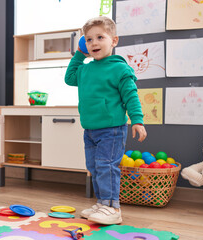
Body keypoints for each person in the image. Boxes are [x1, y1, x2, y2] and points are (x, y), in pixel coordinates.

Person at [65, 16, 147, 225]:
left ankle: (112, 207)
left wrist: (137, 120)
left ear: (114, 40)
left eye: (100, 37)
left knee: (107, 166)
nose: (94, 43)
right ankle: (103, 203)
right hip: (90, 130)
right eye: (89, 39)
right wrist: (79, 55)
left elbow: (131, 95)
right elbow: (70, 78)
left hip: (111, 129)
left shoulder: (119, 68)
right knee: (94, 166)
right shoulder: (85, 69)